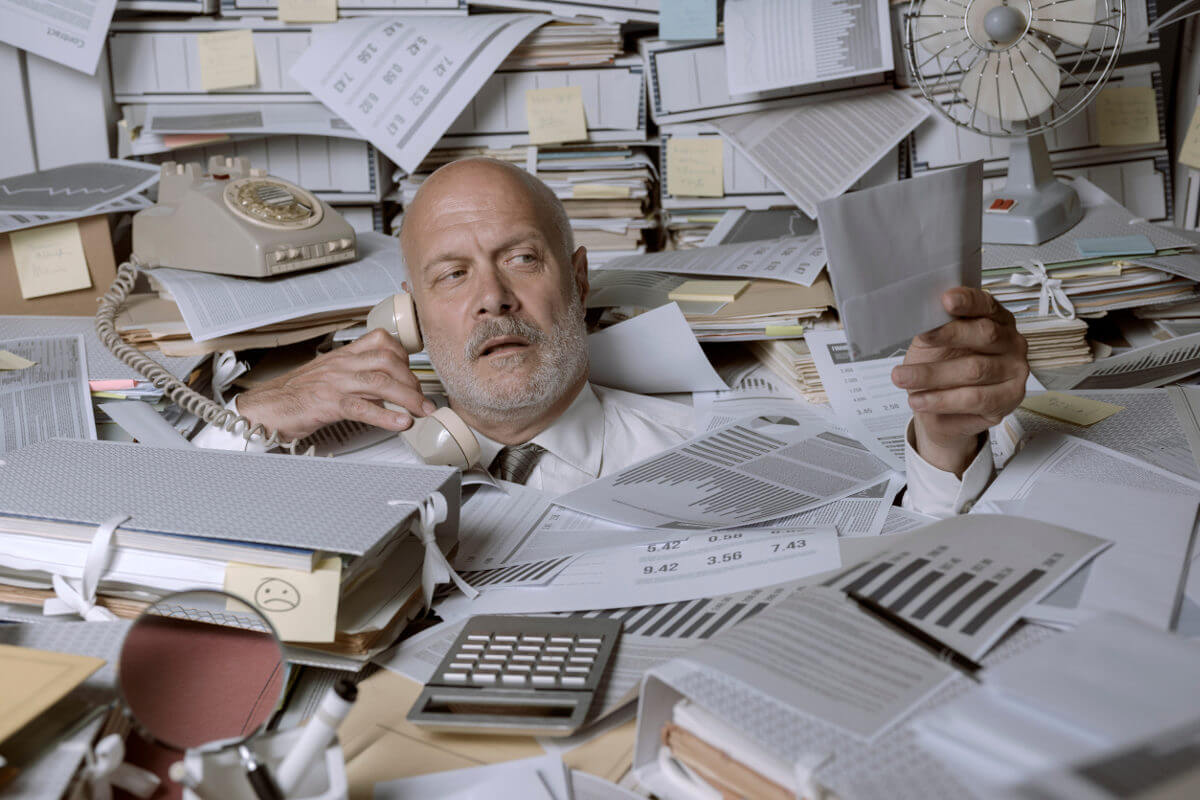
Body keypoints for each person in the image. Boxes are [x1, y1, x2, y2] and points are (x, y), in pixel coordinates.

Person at [194, 158, 1029, 515]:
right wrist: (253, 419)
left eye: (520, 259)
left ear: (578, 278)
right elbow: (141, 531)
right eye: (452, 276)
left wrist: (947, 436)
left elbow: (908, 545)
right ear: (408, 314)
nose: (492, 299)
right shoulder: (324, 459)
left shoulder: (711, 450)